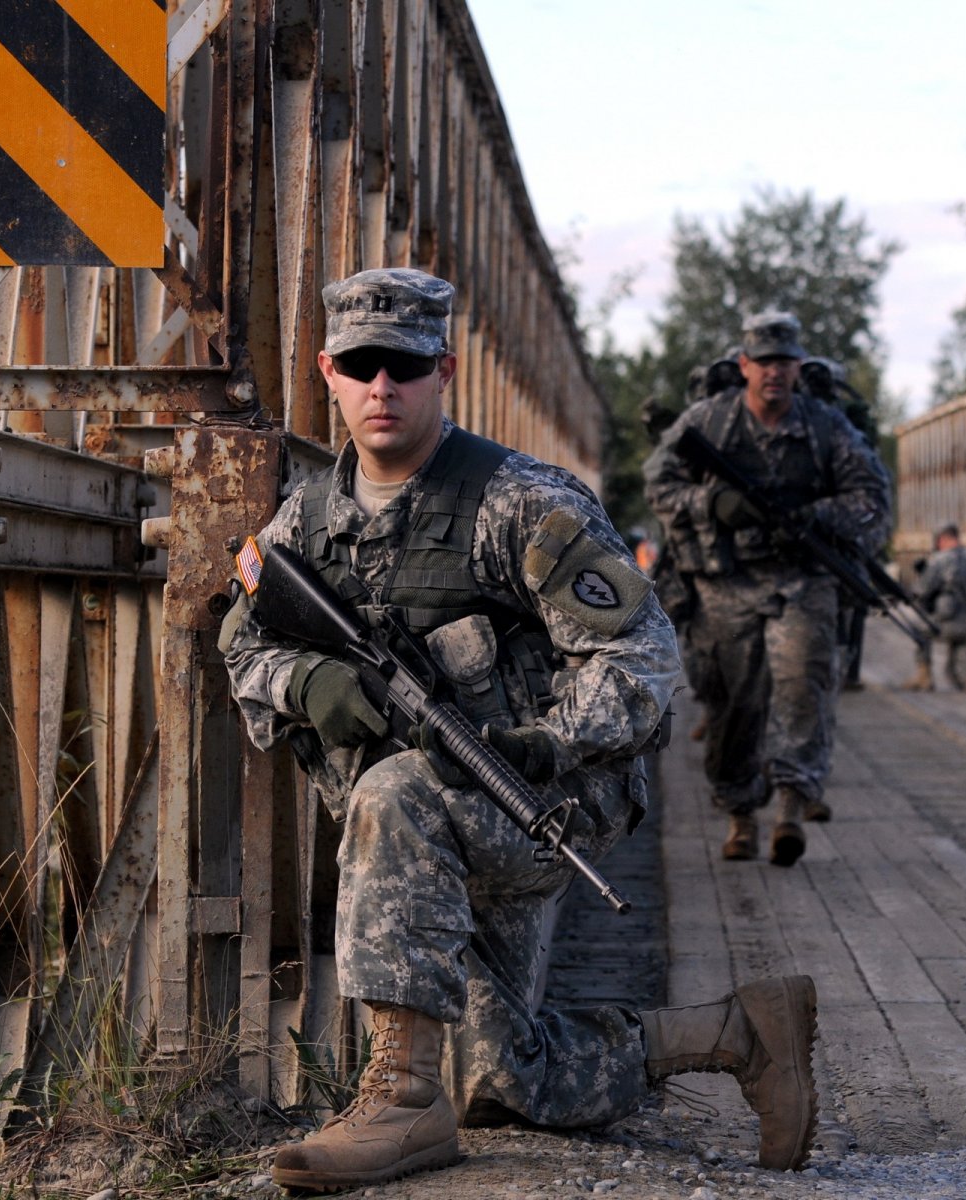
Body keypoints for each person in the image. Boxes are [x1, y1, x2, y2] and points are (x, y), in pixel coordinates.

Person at [221, 269, 819, 1191]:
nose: (383, 387)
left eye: (408, 365)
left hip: (544, 802)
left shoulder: (521, 501)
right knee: (497, 1077)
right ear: (327, 372)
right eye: (361, 364)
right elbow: (243, 645)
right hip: (436, 839)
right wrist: (306, 681)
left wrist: (550, 742)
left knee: (392, 792)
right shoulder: (307, 519)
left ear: (447, 369)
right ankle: (738, 1035)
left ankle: (399, 1108)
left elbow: (643, 657)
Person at [644, 311, 890, 867]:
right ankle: (738, 814)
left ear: (799, 367)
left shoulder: (827, 428)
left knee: (803, 689)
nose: (774, 372)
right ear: (744, 366)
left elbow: (871, 495)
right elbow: (660, 481)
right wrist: (713, 505)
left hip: (803, 581)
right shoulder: (710, 421)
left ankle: (789, 809)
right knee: (732, 704)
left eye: (785, 362)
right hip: (725, 584)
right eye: (764, 362)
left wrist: (813, 517)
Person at [798, 357, 883, 692]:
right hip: (802, 522)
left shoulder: (840, 424)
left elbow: (868, 483)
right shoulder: (790, 416)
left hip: (834, 524)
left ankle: (846, 667)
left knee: (854, 591)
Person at [907, 523, 966, 692]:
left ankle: (924, 676)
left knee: (917, 626)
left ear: (942, 539)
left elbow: (921, 592)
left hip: (948, 624)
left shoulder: (940, 560)